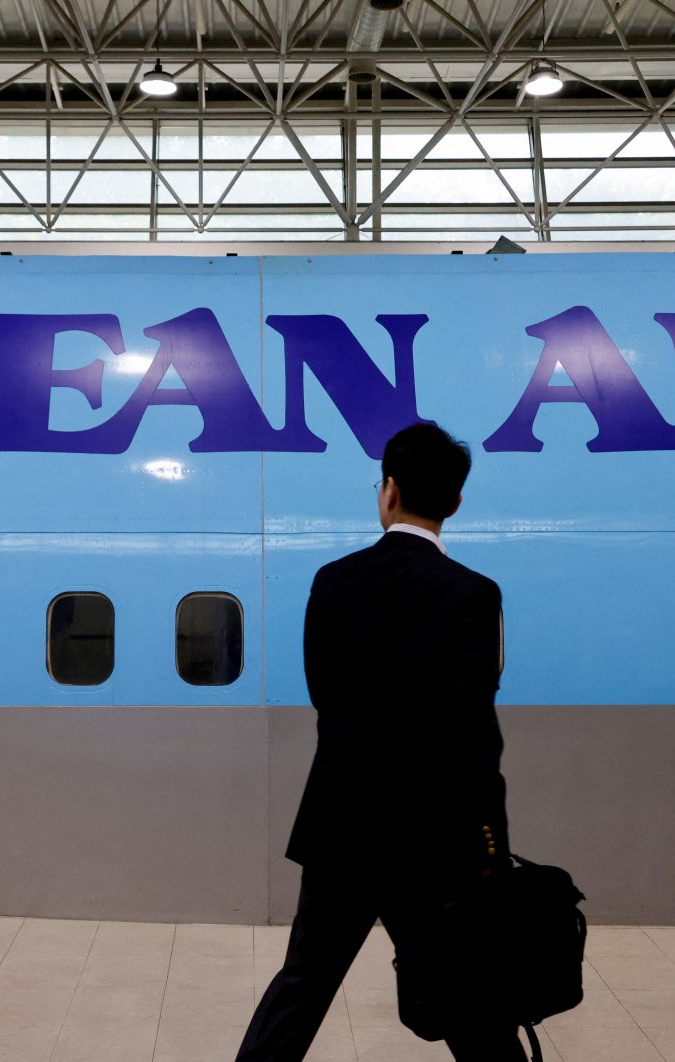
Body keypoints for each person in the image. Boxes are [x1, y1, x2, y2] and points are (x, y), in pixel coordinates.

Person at [235, 421, 520, 1062]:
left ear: (387, 491)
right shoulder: (472, 595)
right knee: (470, 1005)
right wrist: (490, 848)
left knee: (301, 989)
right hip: (433, 841)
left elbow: (325, 698)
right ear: (455, 502)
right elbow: (476, 738)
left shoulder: (333, 581)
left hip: (341, 831)